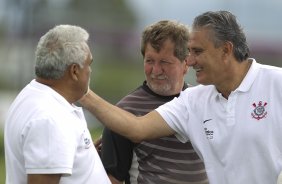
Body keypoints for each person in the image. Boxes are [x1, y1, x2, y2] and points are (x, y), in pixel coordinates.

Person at [79, 10, 282, 184]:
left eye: (198, 51)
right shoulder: (193, 100)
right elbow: (137, 128)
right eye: (189, 52)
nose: (191, 61)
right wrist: (82, 93)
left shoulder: (277, 83)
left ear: (226, 50)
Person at [99, 20, 208, 184]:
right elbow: (111, 180)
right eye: (150, 61)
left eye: (164, 62)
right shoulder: (123, 112)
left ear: (186, 63)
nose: (156, 71)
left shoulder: (204, 103)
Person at [4, 25, 110, 184]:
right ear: (74, 71)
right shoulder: (51, 119)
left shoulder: (34, 94)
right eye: (89, 64)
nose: (90, 71)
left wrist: (80, 156)